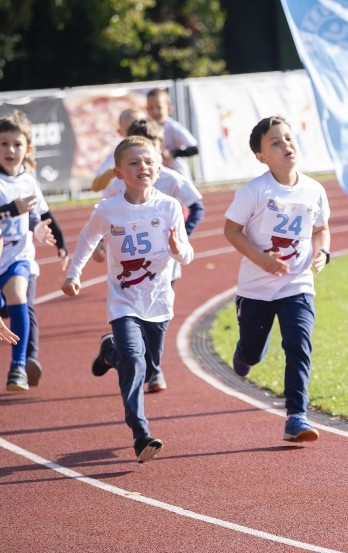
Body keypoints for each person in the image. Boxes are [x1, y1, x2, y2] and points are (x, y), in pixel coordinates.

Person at [62, 135, 194, 463]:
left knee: (149, 366)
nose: (142, 168)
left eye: (148, 162)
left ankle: (109, 351)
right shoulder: (108, 210)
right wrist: (73, 274)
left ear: (159, 167)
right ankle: (140, 432)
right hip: (124, 302)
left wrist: (180, 251)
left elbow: (188, 255)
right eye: (133, 163)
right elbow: (88, 238)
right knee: (134, 360)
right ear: (119, 173)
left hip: (159, 302)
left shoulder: (168, 207)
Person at [224, 115, 330, 443]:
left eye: (288, 138)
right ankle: (245, 354)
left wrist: (322, 252)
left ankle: (296, 416)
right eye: (275, 142)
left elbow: (321, 228)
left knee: (298, 344)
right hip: (256, 289)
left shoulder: (314, 190)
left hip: (296, 284)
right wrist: (261, 259)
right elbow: (231, 230)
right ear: (261, 156)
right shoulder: (254, 191)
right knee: (253, 353)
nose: (285, 145)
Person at [98, 117, 205, 394]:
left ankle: (151, 368)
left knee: (157, 318)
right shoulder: (123, 182)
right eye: (138, 153)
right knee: (139, 319)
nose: (145, 160)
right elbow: (102, 209)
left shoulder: (172, 179)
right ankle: (133, 361)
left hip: (167, 263)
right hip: (133, 265)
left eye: (153, 148)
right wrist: (100, 242)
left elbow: (197, 207)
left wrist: (181, 241)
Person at [0, 111, 59, 391]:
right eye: (3, 144)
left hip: (17, 257)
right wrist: (12, 210)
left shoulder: (28, 181)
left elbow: (37, 215)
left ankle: (18, 367)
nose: (10, 150)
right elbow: (15, 210)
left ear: (28, 149)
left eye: (16, 144)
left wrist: (46, 234)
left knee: (19, 294)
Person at [146, 88, 198, 180]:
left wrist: (172, 153)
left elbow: (194, 148)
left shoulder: (174, 127)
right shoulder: (145, 129)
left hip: (177, 171)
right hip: (157, 173)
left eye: (159, 107)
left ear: (169, 108)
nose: (155, 112)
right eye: (151, 108)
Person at [91, 108, 147, 192]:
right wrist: (115, 171)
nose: (136, 134)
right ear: (120, 132)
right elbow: (96, 187)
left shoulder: (157, 151)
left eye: (140, 128)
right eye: (130, 130)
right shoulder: (116, 156)